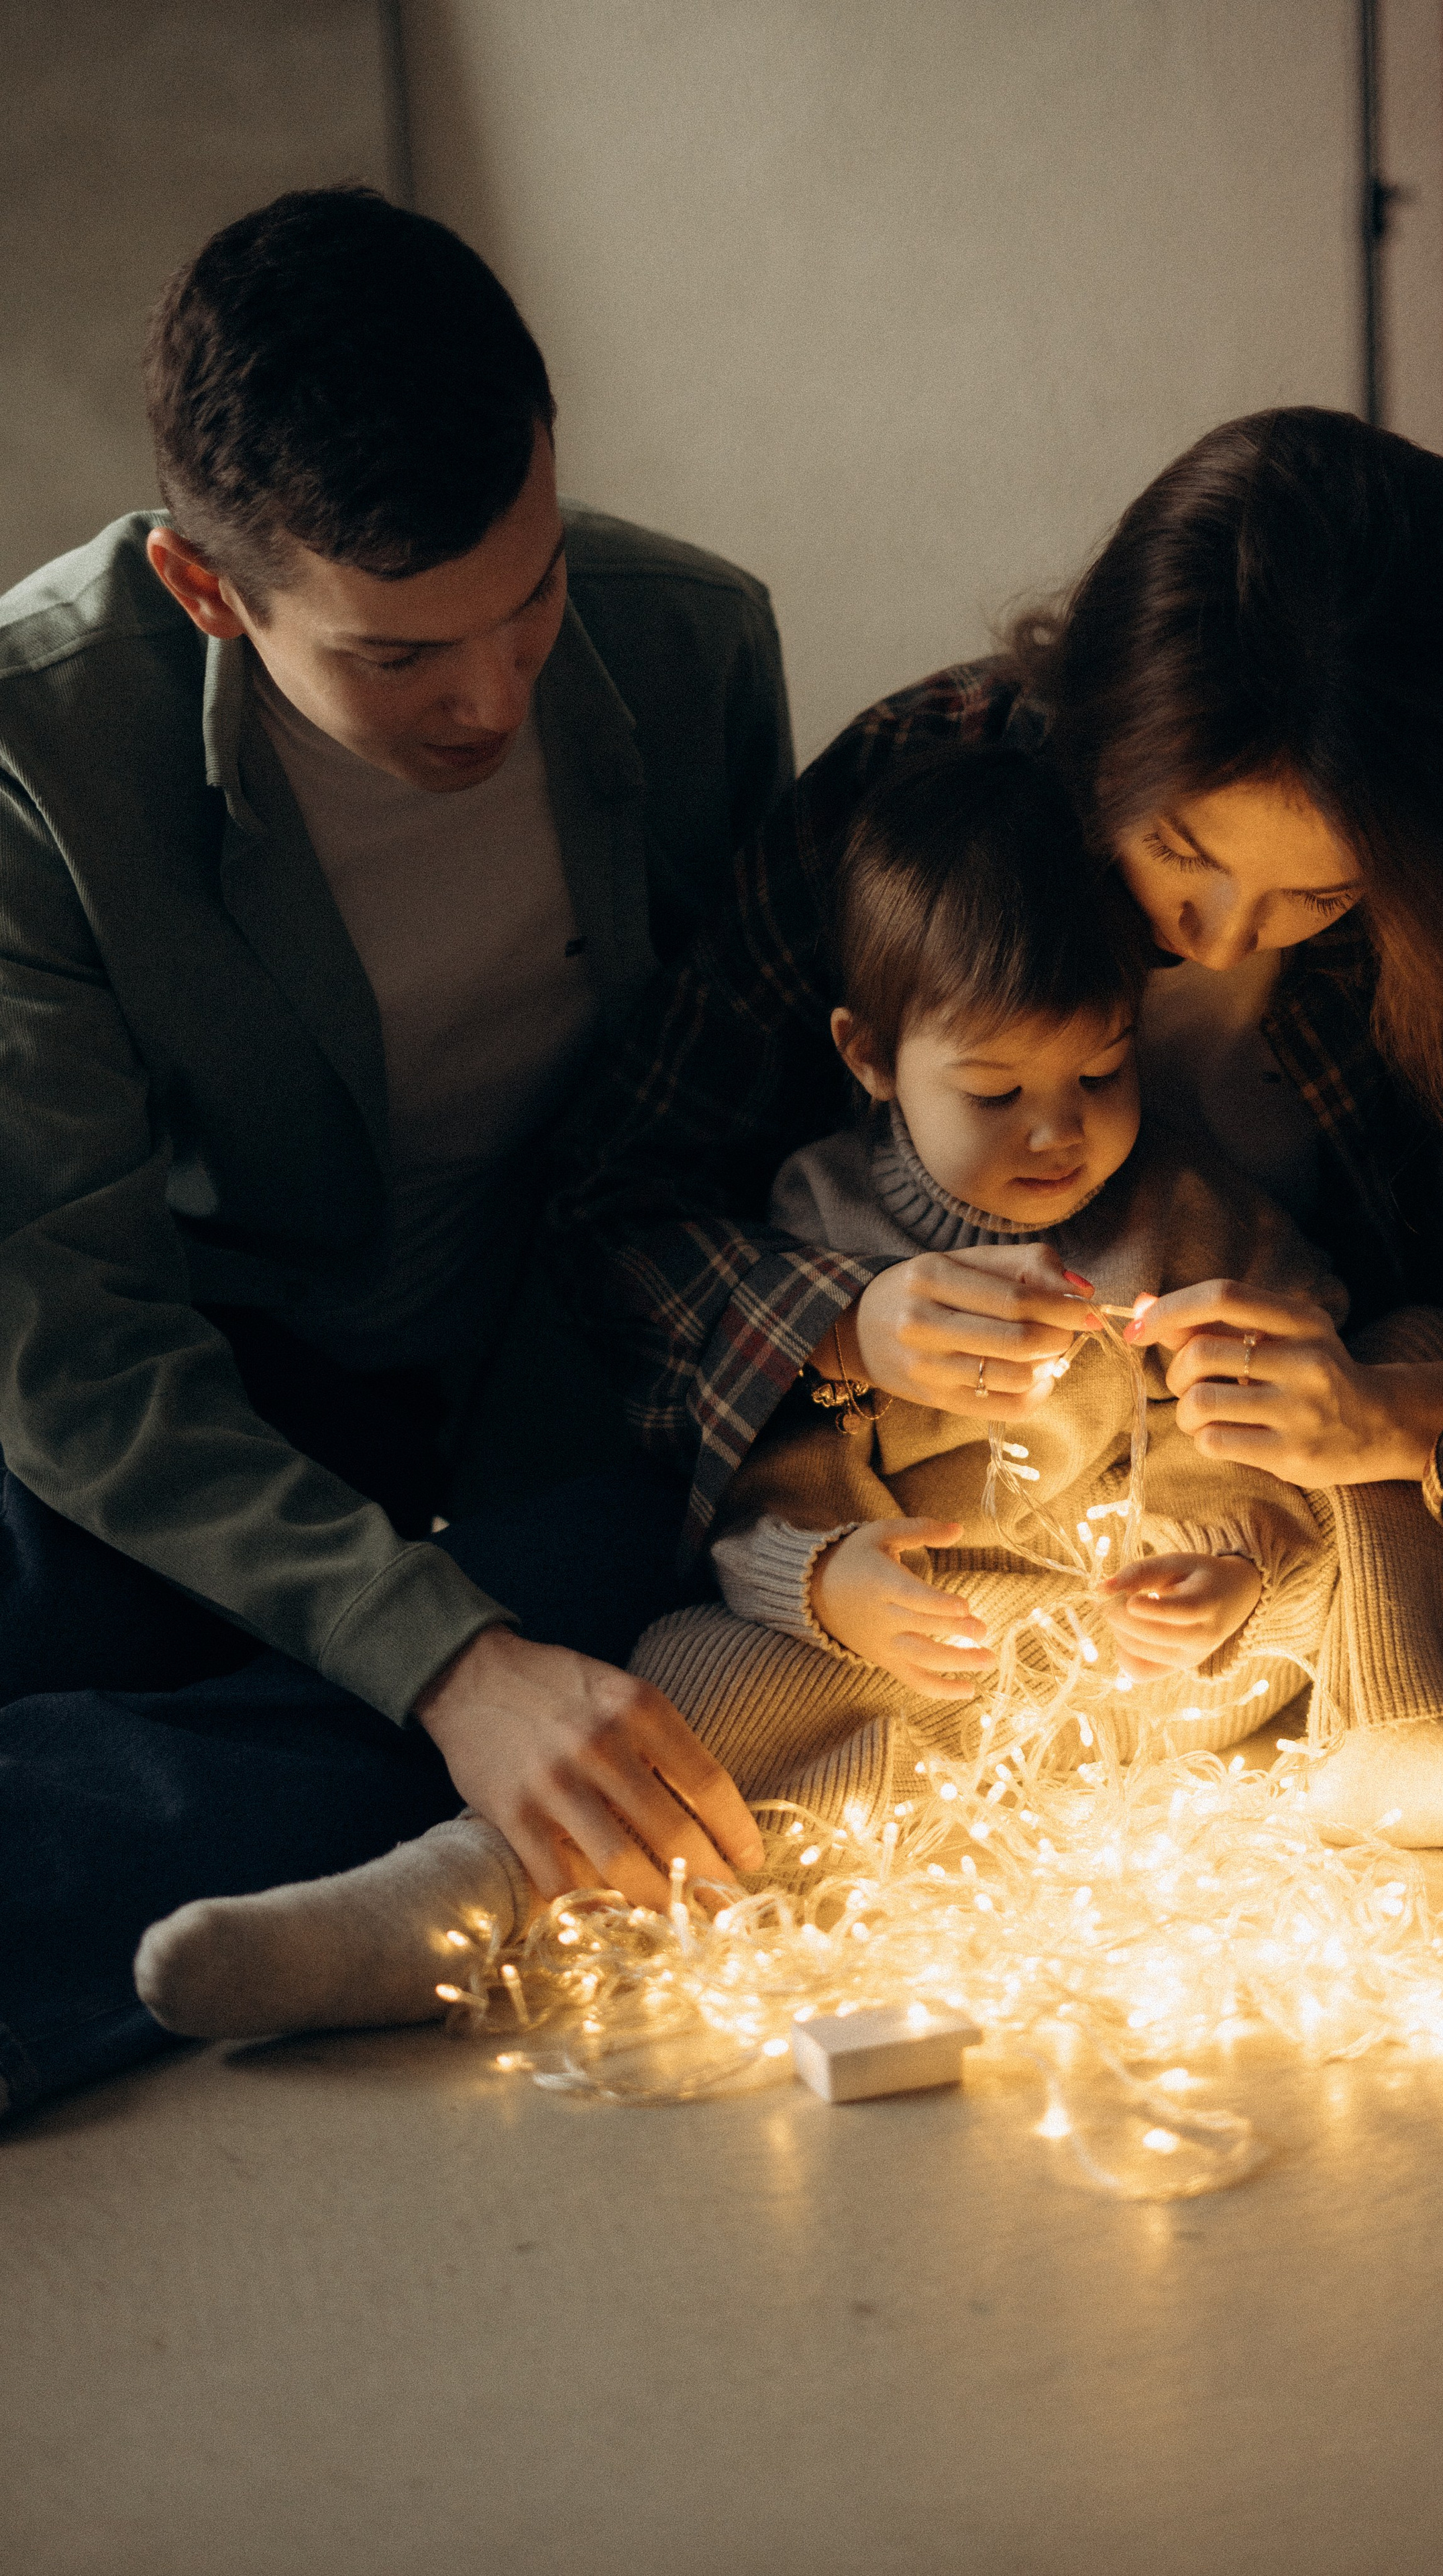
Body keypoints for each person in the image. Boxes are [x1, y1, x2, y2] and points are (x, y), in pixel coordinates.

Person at [128, 745, 1443, 2044]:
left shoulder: (1197, 1219)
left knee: (1406, 1382)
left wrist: (1226, 1555)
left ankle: (1391, 1730)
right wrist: (827, 1584)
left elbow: (1284, 1426)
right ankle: (456, 1893)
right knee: (699, 1676)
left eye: (1099, 1075)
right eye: (994, 1091)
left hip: (1176, 1682)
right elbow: (745, 1511)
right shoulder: (822, 1231)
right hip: (924, 1662)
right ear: (868, 1060)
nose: (1056, 1136)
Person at [543, 407, 1443, 1941]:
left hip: (1410, 1528)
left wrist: (1385, 1415)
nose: (1220, 935)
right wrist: (850, 1322)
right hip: (973, 1560)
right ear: (1104, 725)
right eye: (1180, 848)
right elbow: (613, 1204)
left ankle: (1388, 1732)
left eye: (1315, 894)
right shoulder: (933, 792)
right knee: (660, 1717)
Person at [0, 186, 778, 2118]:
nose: (495, 697)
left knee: (592, 1716)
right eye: (401, 657)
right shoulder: (34, 760)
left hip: (545, 1378)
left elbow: (746, 1123)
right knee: (78, 1614)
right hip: (200, 1388)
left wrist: (480, 1667)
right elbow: (76, 1349)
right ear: (205, 591)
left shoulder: (693, 652)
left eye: (531, 595)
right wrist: (444, 1661)